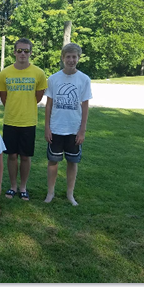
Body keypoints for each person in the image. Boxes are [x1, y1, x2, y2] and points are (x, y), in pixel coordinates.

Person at [0, 38, 48, 201]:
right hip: (11, 120)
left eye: (26, 51)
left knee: (25, 156)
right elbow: (3, 97)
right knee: (11, 155)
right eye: (19, 50)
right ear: (14, 52)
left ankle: (23, 187)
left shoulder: (38, 73)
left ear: (30, 53)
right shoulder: (5, 73)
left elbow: (38, 97)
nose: (23, 54)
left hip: (29, 121)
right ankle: (13, 186)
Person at [43, 43, 92, 206]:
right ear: (63, 58)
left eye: (74, 57)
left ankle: (70, 194)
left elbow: (85, 106)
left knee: (73, 162)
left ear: (78, 58)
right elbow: (48, 105)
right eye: (68, 57)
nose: (71, 60)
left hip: (73, 128)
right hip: (56, 127)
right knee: (53, 161)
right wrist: (47, 127)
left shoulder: (84, 79)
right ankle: (50, 192)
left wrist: (82, 130)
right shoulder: (53, 78)